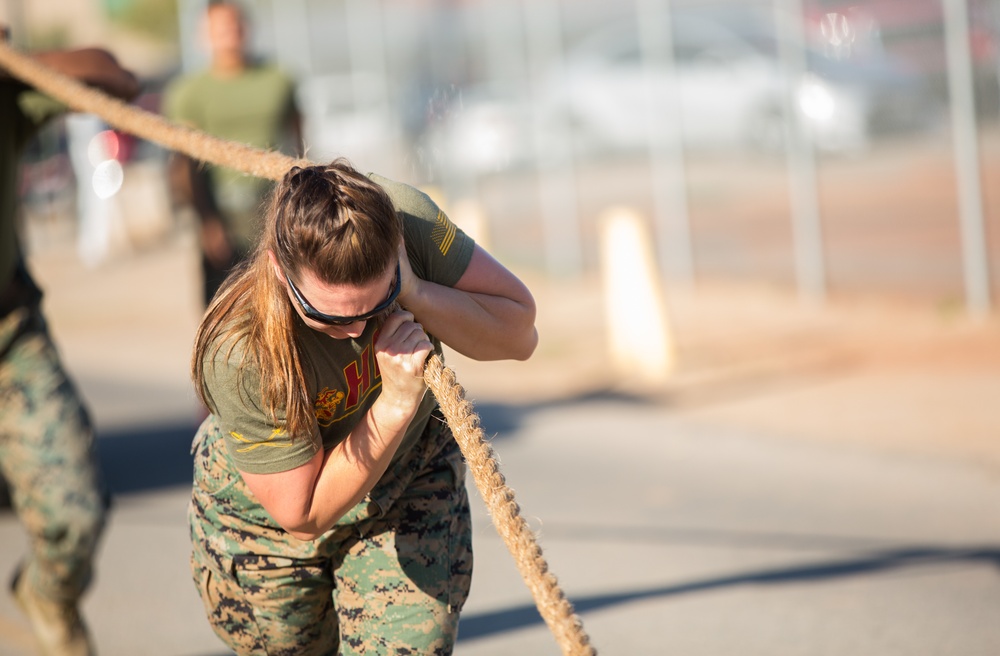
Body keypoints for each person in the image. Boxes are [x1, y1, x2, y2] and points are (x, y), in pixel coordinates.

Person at [189, 160, 538, 654]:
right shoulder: (239, 350)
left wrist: (416, 292)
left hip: (404, 481)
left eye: (376, 305)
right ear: (278, 272)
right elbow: (302, 511)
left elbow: (520, 332)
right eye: (327, 317)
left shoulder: (405, 220)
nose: (356, 331)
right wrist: (393, 404)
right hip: (268, 518)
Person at [0, 33, 139, 656]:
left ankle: (47, 598)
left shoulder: (7, 97)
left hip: (10, 340)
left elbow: (117, 80)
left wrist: (23, 66)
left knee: (75, 512)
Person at [165, 0, 302, 306]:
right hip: (221, 211)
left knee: (281, 303)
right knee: (226, 307)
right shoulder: (188, 93)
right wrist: (207, 223)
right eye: (220, 28)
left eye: (234, 25)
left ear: (246, 28)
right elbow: (184, 166)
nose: (229, 34)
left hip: (274, 208)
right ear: (205, 35)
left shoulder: (278, 80)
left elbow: (298, 139)